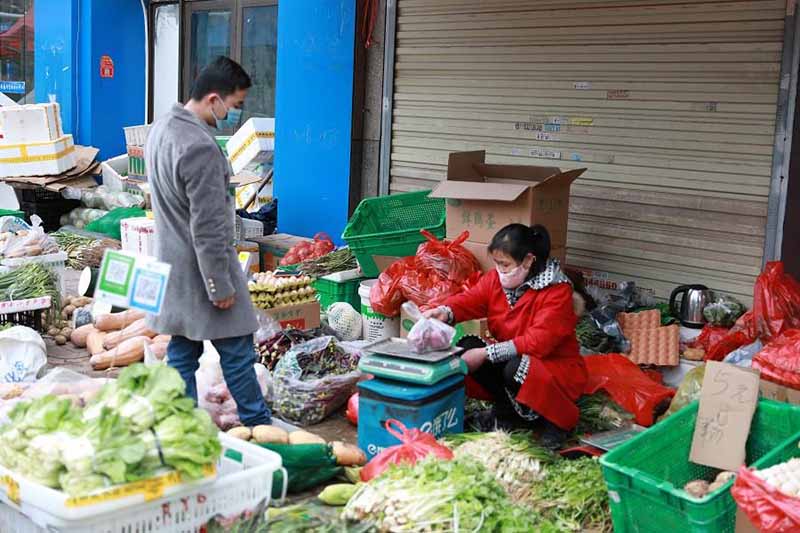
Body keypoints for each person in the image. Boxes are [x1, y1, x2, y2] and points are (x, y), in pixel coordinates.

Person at [145, 56, 271, 427]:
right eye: (234, 105)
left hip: (174, 267)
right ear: (213, 98)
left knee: (182, 353)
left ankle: (183, 428)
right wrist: (219, 284)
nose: (234, 113)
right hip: (204, 273)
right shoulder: (199, 147)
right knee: (237, 352)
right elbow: (209, 226)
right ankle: (258, 426)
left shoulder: (162, 128)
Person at [426, 224, 587, 449]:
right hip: (516, 357)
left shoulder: (556, 291)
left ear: (528, 261)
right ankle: (507, 413)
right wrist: (446, 311)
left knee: (515, 366)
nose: (499, 270)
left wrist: (485, 353)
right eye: (497, 263)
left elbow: (538, 342)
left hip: (553, 368)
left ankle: (557, 422)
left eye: (505, 264)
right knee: (467, 345)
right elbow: (471, 300)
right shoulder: (496, 280)